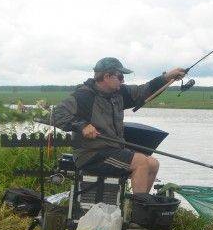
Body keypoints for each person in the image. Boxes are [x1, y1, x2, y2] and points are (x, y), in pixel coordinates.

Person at [53, 57, 187, 194]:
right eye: (120, 76)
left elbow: (144, 90)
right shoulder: (83, 96)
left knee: (153, 164)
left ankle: (141, 206)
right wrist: (82, 126)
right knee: (141, 162)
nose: (123, 80)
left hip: (113, 151)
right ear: (107, 76)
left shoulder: (119, 93)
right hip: (91, 155)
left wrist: (166, 78)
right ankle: (139, 209)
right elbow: (56, 114)